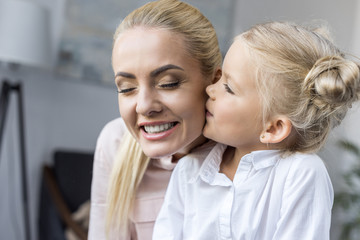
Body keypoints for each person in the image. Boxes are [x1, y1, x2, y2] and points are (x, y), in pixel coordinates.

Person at [153, 21, 360, 239]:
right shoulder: (189, 170)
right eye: (220, 76)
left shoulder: (302, 173)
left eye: (228, 88)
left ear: (273, 128)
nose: (210, 89)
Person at [88, 0, 222, 239]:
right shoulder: (115, 143)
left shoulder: (247, 156)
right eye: (127, 88)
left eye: (168, 83)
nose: (145, 105)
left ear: (213, 82)